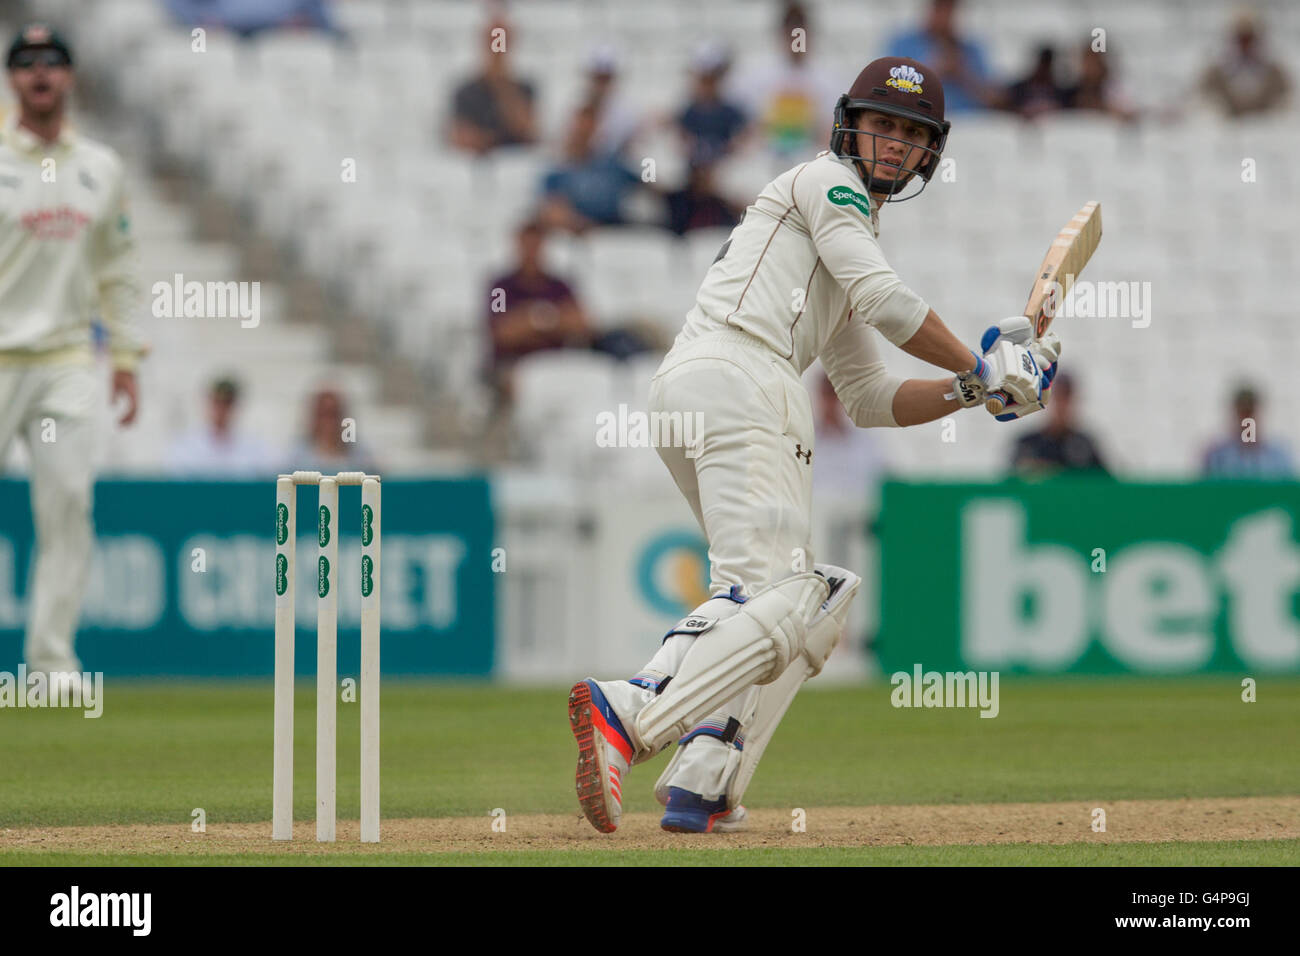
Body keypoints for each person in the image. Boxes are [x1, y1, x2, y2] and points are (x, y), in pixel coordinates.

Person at [567, 57, 1060, 834]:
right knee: (789, 597)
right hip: (742, 379)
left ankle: (706, 780)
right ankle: (630, 713)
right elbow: (888, 301)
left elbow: (868, 399)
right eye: (883, 125)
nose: (894, 144)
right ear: (848, 124)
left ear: (929, 154)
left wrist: (975, 390)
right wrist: (981, 361)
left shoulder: (842, 235)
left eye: (912, 134)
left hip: (697, 390)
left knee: (797, 602)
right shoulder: (826, 183)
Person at [0, 25, 147, 683]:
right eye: (26, 63)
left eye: (52, 63)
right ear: (11, 79)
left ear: (70, 77)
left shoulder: (100, 167)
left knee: (67, 506)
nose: (40, 74)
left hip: (65, 362)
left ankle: (51, 663)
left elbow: (118, 267)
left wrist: (127, 357)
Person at [483, 221, 591, 401]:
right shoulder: (500, 288)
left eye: (536, 245)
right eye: (527, 245)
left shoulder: (560, 286)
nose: (531, 252)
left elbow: (582, 323)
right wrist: (548, 321)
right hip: (511, 364)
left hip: (555, 362)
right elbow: (502, 331)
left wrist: (530, 320)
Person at [732, 2, 840, 160]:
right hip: (766, 158)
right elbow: (747, 130)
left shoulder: (829, 79)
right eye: (790, 33)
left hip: (810, 158)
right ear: (781, 34)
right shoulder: (756, 77)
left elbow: (829, 132)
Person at [538, 104, 643, 232]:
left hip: (614, 226)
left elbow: (650, 183)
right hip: (580, 232)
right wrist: (584, 226)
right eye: (580, 128)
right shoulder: (556, 168)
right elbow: (553, 211)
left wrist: (650, 158)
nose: (584, 133)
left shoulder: (612, 163)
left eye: (590, 128)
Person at [448, 17, 538, 154]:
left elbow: (528, 132)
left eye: (502, 41)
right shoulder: (465, 91)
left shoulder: (525, 88)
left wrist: (502, 85)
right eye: (493, 40)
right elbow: (461, 137)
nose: (497, 47)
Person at [888, 0, 996, 113]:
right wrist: (934, 71)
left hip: (970, 120)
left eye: (949, 10)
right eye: (939, 9)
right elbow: (892, 92)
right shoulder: (903, 45)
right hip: (921, 116)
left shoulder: (972, 49)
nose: (944, 16)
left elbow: (993, 99)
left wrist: (962, 73)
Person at [166, 376, 274, 476]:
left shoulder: (254, 448)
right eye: (217, 402)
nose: (221, 409)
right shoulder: (185, 446)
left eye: (227, 403)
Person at [1009, 372, 1108, 476]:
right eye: (1057, 398)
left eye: (1066, 398)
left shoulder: (1085, 446)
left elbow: (1105, 484)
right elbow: (1012, 481)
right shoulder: (1028, 445)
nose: (1061, 405)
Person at [1200, 8, 1291, 118]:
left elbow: (1287, 97)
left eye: (1249, 39)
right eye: (1241, 39)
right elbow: (1203, 97)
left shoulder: (1274, 71)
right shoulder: (1217, 70)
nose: (1245, 44)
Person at [675, 42, 749, 166]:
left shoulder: (732, 111)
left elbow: (740, 141)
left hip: (724, 168)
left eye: (712, 79)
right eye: (704, 79)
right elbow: (683, 141)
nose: (708, 85)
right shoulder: (688, 112)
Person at [1202, 385, 1293, 479]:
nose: (1246, 418)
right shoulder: (1217, 455)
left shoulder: (1278, 455)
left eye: (1250, 412)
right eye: (1242, 412)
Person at [287, 387, 379, 475]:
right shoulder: (297, 455)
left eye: (333, 414)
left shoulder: (360, 454)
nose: (328, 422)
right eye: (323, 414)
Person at [1062, 42, 1138, 121]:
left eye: (1094, 61)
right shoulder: (1070, 91)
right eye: (1087, 61)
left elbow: (1128, 111)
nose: (1091, 67)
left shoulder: (1114, 89)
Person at [1003, 46, 1068, 119]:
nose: (1044, 69)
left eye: (1048, 65)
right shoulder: (1019, 89)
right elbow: (1009, 106)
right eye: (1043, 63)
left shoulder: (1061, 91)